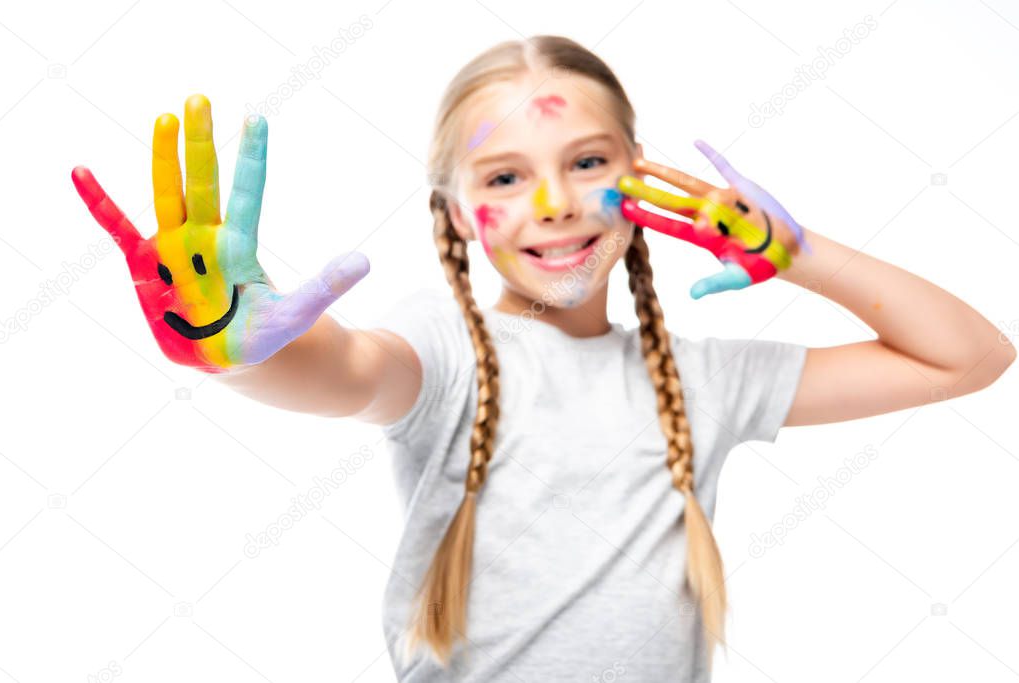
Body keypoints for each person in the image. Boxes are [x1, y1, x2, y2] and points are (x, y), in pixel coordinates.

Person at [71, 35, 1014, 683]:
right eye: (505, 176)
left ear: (644, 177)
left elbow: (968, 357)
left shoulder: (702, 379)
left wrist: (794, 251)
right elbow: (344, 368)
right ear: (451, 209)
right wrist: (227, 343)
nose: (555, 202)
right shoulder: (442, 357)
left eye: (589, 163)